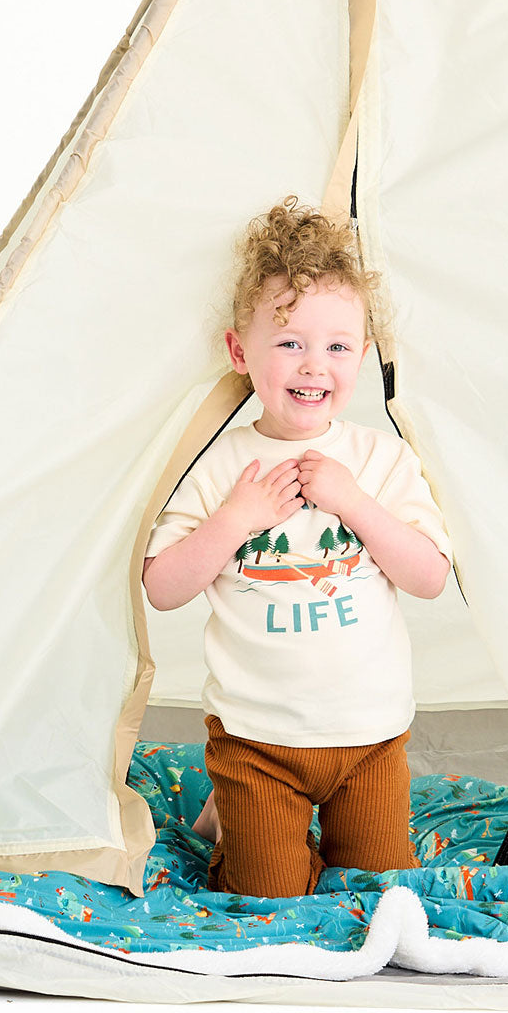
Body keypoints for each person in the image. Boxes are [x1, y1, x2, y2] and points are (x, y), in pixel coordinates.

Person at [142, 196, 452, 899]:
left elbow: (429, 576)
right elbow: (162, 587)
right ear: (240, 352)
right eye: (289, 343)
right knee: (266, 896)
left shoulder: (377, 459)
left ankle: (279, 824)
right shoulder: (218, 464)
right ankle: (236, 815)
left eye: (337, 347)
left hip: (368, 739)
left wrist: (354, 503)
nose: (314, 365)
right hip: (258, 741)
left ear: (362, 356)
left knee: (379, 887)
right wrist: (236, 519)